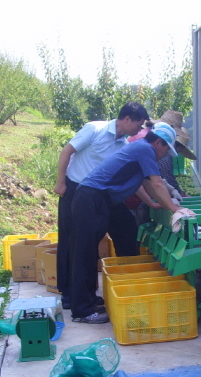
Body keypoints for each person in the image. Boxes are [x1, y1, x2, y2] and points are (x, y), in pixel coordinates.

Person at [68, 122, 195, 324]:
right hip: (91, 198)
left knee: (101, 244)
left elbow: (143, 183)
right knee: (85, 252)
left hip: (99, 199)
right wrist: (174, 208)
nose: (164, 155)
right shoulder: (145, 148)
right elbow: (157, 182)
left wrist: (153, 203)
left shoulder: (141, 150)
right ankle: (81, 310)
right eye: (166, 150)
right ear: (159, 142)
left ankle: (89, 300)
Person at [54, 102, 150, 310]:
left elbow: (134, 180)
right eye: (138, 124)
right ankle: (70, 295)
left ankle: (125, 283)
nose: (139, 130)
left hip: (101, 196)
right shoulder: (95, 129)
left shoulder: (123, 145)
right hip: (75, 190)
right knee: (73, 243)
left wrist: (150, 201)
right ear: (127, 119)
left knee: (126, 230)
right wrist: (60, 182)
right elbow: (66, 152)